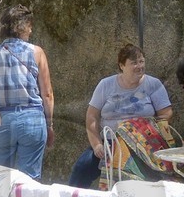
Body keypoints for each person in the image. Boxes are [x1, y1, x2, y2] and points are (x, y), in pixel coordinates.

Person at [67, 44, 173, 188]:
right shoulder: (106, 85)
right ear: (122, 65)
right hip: (109, 141)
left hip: (142, 144)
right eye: (134, 63)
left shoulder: (153, 84)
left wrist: (142, 129)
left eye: (141, 61)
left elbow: (166, 114)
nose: (139, 66)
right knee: (81, 168)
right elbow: (92, 116)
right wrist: (97, 144)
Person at [0, 4, 54, 180]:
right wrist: (49, 125)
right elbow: (47, 94)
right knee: (29, 181)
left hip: (2, 121)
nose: (31, 30)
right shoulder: (37, 52)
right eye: (29, 25)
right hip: (32, 120)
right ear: (21, 27)